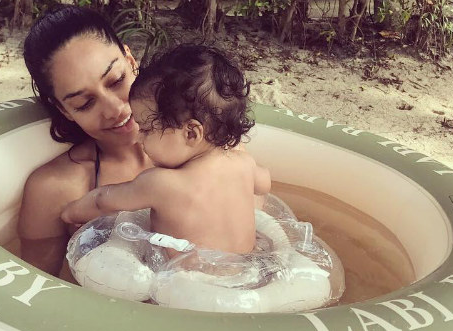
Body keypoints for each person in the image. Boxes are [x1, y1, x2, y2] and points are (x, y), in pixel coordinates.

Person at [61, 44, 271, 258]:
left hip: (191, 283)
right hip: (248, 269)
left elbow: (103, 200)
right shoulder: (244, 163)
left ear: (191, 133)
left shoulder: (161, 183)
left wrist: (71, 212)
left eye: (146, 129)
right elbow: (265, 183)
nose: (137, 137)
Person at [19, 6, 152, 278]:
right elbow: (37, 296)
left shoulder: (203, 144)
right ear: (64, 109)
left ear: (130, 60)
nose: (114, 109)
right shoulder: (55, 190)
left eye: (116, 80)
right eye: (84, 103)